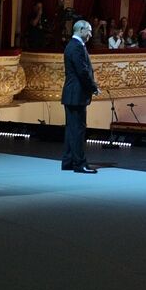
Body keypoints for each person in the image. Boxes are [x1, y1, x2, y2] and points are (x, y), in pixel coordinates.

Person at [61, 19, 99, 174]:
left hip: (71, 94)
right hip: (76, 94)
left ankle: (68, 161)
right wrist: (93, 87)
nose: (90, 34)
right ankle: (79, 164)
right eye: (89, 30)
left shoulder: (72, 45)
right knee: (78, 130)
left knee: (72, 129)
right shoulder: (76, 47)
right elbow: (82, 71)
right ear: (81, 30)